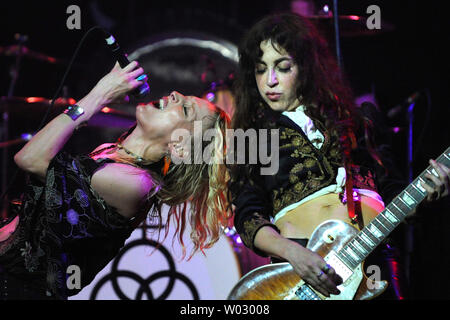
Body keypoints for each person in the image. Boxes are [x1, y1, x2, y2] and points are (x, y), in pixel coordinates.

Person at [228, 13, 450, 299]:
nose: (270, 80)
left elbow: (393, 192)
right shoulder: (255, 137)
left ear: (308, 67)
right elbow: (248, 217)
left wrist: (426, 193)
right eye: (260, 69)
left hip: (374, 265)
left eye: (283, 67)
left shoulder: (359, 120)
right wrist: (294, 254)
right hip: (302, 274)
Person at [0, 61, 231, 300]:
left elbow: (29, 159)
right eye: (183, 97)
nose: (175, 94)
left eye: (185, 109)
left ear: (180, 147)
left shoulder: (135, 183)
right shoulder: (112, 153)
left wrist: (100, 95)